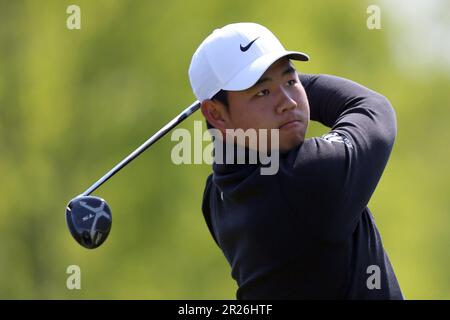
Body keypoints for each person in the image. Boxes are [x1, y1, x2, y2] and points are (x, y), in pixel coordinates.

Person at [188, 22, 404, 299]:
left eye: (291, 82)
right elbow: (372, 108)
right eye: (262, 92)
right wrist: (293, 81)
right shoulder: (309, 176)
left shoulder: (216, 198)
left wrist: (266, 84)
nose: (288, 102)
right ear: (216, 114)